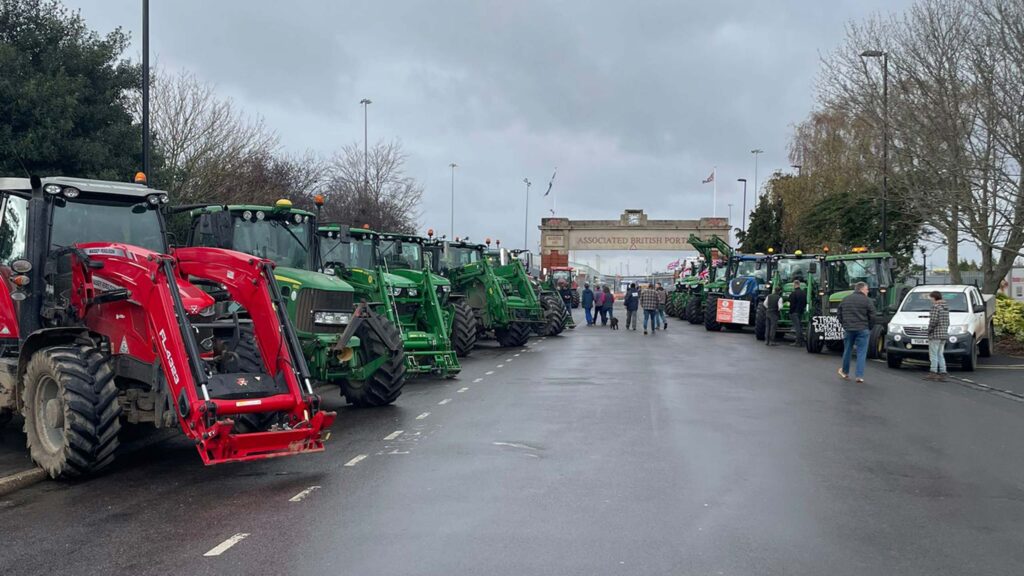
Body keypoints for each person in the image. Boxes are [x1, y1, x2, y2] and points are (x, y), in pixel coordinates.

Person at [837, 281, 877, 383]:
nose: (868, 291)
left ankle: (845, 372)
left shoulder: (845, 299)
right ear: (862, 289)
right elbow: (873, 315)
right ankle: (859, 376)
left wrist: (844, 325)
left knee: (847, 351)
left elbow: (839, 315)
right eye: (867, 289)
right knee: (861, 353)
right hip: (863, 329)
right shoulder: (867, 300)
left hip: (849, 329)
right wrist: (869, 327)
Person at [926, 291, 949, 381]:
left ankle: (933, 372)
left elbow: (933, 321)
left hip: (935, 334)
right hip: (943, 333)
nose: (930, 299)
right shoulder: (946, 307)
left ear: (934, 297)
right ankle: (943, 372)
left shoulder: (935, 307)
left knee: (933, 354)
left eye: (931, 297)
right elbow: (948, 321)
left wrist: (929, 330)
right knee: (940, 354)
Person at [788, 279, 807, 347]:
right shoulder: (803, 293)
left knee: (797, 327)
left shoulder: (793, 293)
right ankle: (801, 341)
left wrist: (791, 312)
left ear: (794, 285)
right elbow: (805, 302)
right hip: (800, 312)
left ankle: (798, 342)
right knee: (800, 326)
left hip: (794, 312)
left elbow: (791, 303)